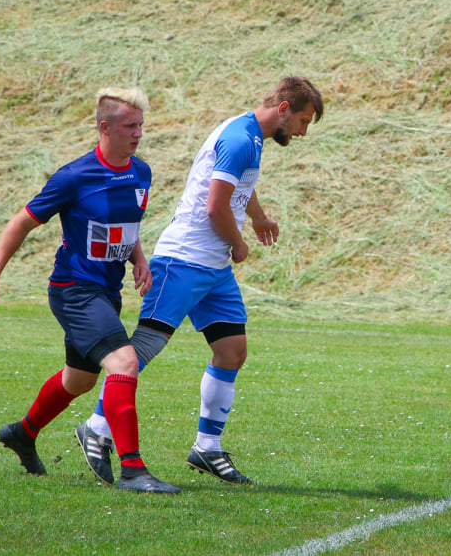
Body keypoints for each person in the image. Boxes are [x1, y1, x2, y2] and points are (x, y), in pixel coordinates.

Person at [75, 76, 324, 486]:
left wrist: (258, 217)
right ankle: (96, 427)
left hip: (212, 269)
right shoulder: (242, 137)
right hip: (185, 260)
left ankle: (206, 447)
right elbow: (215, 208)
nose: (302, 131)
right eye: (302, 120)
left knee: (232, 350)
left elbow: (239, 186)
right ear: (283, 109)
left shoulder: (250, 136)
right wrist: (239, 243)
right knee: (139, 352)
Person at [0, 87, 180, 494]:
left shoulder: (142, 172)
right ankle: (134, 471)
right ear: (104, 128)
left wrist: (138, 257)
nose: (138, 133)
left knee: (79, 380)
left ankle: (23, 432)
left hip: (106, 290)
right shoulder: (74, 177)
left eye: (141, 125)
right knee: (124, 362)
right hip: (73, 290)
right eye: (129, 126)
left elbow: (125, 224)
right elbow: (21, 223)